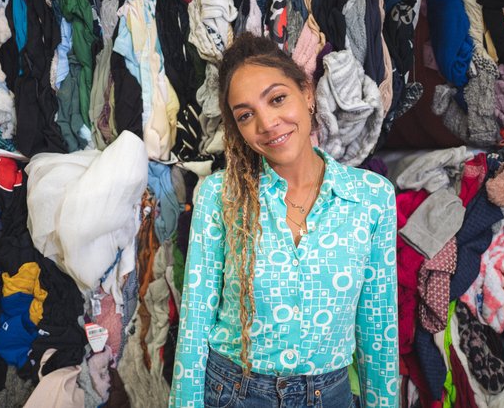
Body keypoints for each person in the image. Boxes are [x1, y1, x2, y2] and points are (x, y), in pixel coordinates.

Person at [169, 33, 398, 408]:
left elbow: (379, 332)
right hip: (233, 393)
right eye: (246, 115)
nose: (267, 123)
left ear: (307, 94)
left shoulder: (371, 198)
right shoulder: (218, 196)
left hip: (329, 396)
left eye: (277, 99)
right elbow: (194, 329)